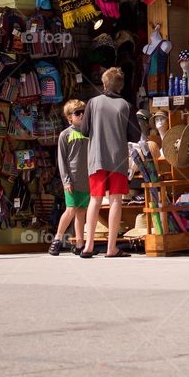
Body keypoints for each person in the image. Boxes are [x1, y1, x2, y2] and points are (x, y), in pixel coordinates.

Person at [79, 68, 140, 258]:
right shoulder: (126, 106)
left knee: (95, 200)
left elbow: (84, 130)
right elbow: (135, 135)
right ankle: (111, 247)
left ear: (104, 84)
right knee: (116, 200)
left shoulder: (93, 103)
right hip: (118, 159)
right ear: (121, 86)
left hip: (96, 158)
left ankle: (88, 246)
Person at [50, 99, 89, 256]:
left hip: (86, 180)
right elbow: (62, 160)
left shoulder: (89, 132)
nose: (81, 115)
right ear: (69, 117)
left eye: (83, 112)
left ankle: (80, 244)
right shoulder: (65, 135)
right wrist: (65, 180)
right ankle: (57, 239)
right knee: (71, 209)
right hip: (71, 180)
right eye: (77, 113)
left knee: (81, 212)